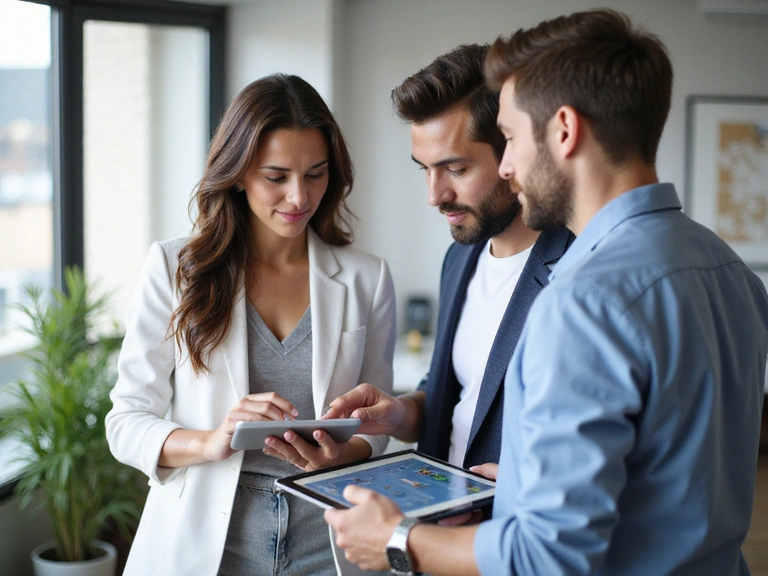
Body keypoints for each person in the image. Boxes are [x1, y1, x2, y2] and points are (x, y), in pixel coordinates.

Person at [324, 9, 768, 575]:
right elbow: (674, 466)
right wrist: (535, 480)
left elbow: (547, 554)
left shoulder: (580, 299)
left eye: (508, 138)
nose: (508, 165)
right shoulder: (729, 270)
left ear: (563, 130)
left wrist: (396, 540)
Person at [105, 74, 397, 576]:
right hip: (208, 539)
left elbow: (377, 423)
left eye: (316, 173)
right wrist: (213, 438)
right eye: (276, 176)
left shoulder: (367, 277)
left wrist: (342, 453)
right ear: (238, 173)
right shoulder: (175, 268)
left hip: (327, 538)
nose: (299, 197)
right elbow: (126, 422)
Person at [323, 45, 572, 489]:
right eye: (425, 169)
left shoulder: (580, 272)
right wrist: (402, 413)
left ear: (514, 152)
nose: (434, 195)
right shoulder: (461, 256)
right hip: (441, 524)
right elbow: (467, 394)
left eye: (455, 168)